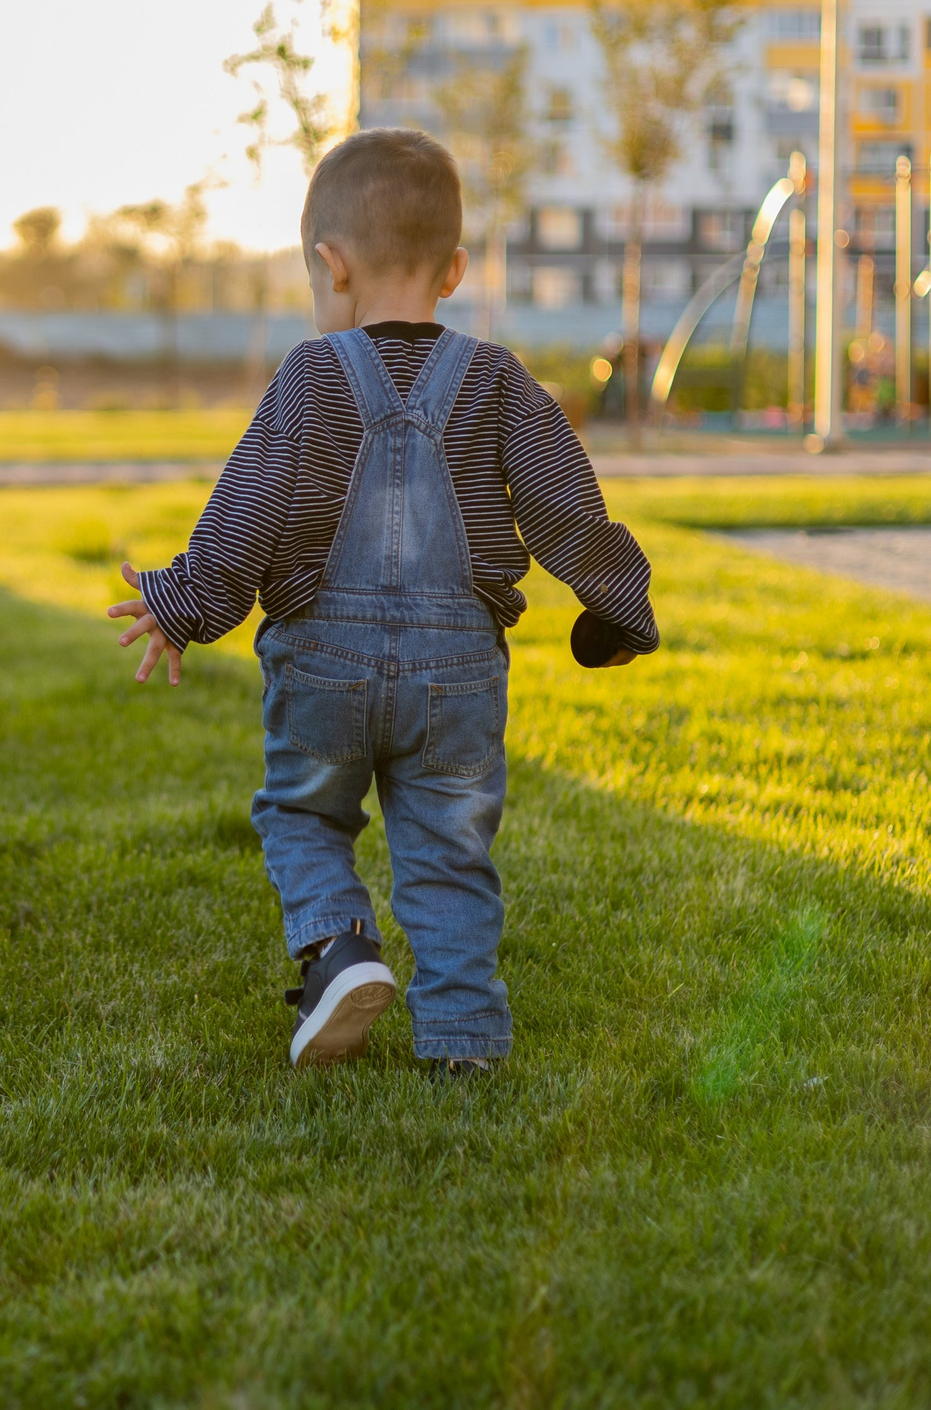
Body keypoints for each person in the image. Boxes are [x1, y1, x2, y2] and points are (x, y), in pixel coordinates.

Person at [107, 128, 658, 1077]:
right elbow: (566, 503)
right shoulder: (500, 382)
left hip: (322, 658)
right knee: (448, 850)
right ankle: (464, 1042)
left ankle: (338, 949)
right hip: (458, 676)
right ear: (453, 270)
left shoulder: (309, 377)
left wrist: (187, 602)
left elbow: (248, 513)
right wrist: (613, 605)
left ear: (332, 266)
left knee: (304, 813)